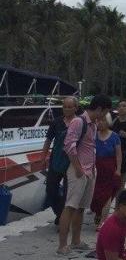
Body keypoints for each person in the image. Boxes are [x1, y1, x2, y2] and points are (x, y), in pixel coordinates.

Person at [57, 94, 112, 255]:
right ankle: (62, 245)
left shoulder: (93, 124)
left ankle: (76, 240)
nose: (105, 116)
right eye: (106, 111)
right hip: (78, 170)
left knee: (80, 208)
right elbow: (69, 145)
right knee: (70, 206)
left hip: (89, 170)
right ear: (100, 109)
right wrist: (77, 168)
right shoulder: (78, 121)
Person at [41, 96, 78, 224]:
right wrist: (43, 156)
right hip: (56, 160)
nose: (67, 109)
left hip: (72, 162)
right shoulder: (56, 122)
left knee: (68, 192)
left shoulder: (79, 123)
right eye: (64, 107)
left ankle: (62, 219)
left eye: (70, 107)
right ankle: (60, 213)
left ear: (75, 108)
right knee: (50, 190)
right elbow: (48, 140)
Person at [91, 116, 122, 229]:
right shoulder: (93, 135)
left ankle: (103, 222)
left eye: (103, 120)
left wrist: (118, 169)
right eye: (98, 120)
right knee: (95, 195)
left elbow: (118, 154)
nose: (100, 122)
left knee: (107, 195)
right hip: (95, 168)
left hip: (109, 168)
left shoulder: (114, 137)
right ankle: (98, 213)